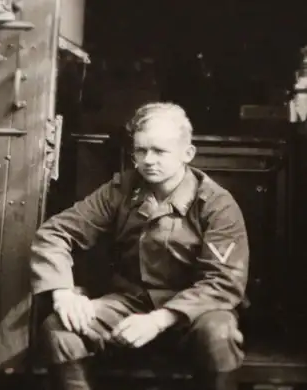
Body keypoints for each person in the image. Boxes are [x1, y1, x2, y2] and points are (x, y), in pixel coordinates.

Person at [29, 102, 249, 390]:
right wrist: (63, 294)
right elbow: (55, 233)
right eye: (141, 150)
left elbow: (223, 282)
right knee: (59, 329)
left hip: (194, 312)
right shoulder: (121, 190)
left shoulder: (216, 204)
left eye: (159, 151)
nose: (148, 160)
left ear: (188, 154)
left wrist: (159, 320)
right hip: (128, 304)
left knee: (219, 333)